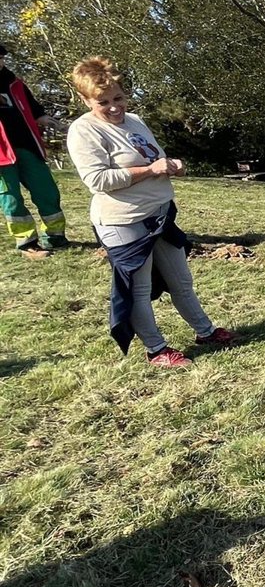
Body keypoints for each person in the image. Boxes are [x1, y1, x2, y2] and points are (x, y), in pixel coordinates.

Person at [65, 57, 236, 367]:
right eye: (103, 102)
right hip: (122, 222)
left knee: (181, 281)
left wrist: (172, 166)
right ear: (86, 100)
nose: (114, 107)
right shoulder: (83, 131)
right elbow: (98, 180)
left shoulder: (134, 121)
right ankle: (156, 349)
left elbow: (153, 158)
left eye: (118, 98)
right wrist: (150, 170)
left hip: (159, 215)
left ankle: (206, 331)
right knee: (139, 289)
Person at [0, 43, 68, 258]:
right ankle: (27, 243)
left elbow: (35, 110)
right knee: (11, 200)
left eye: (1, 57)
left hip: (27, 146)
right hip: (2, 156)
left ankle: (55, 237)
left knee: (47, 191)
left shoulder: (15, 83)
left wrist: (55, 123)